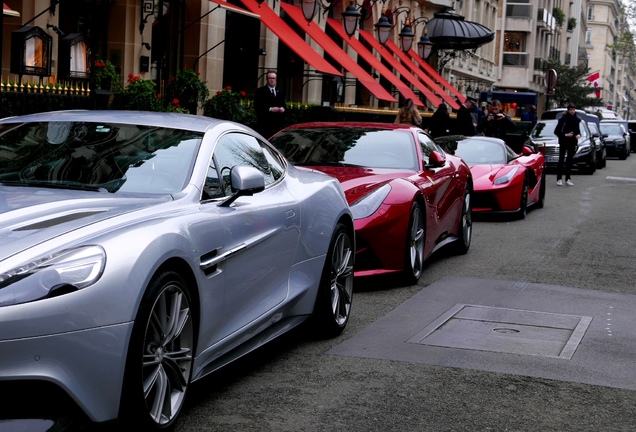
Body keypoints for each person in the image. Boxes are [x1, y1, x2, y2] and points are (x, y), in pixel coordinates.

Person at [554, 103, 581, 186]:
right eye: (571, 110)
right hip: (563, 141)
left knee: (570, 161)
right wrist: (565, 135)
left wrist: (578, 135)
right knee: (561, 160)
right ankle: (559, 179)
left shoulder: (577, 119)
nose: (572, 111)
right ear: (568, 110)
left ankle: (568, 178)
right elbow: (556, 131)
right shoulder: (563, 119)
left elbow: (578, 130)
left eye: (573, 110)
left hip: (572, 142)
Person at [254, 70, 287, 139]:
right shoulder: (260, 91)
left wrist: (283, 109)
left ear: (276, 79)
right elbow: (257, 106)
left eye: (273, 78)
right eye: (270, 78)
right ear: (267, 79)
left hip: (277, 126)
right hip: (264, 126)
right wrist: (271, 109)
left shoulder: (280, 91)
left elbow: (284, 105)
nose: (272, 80)